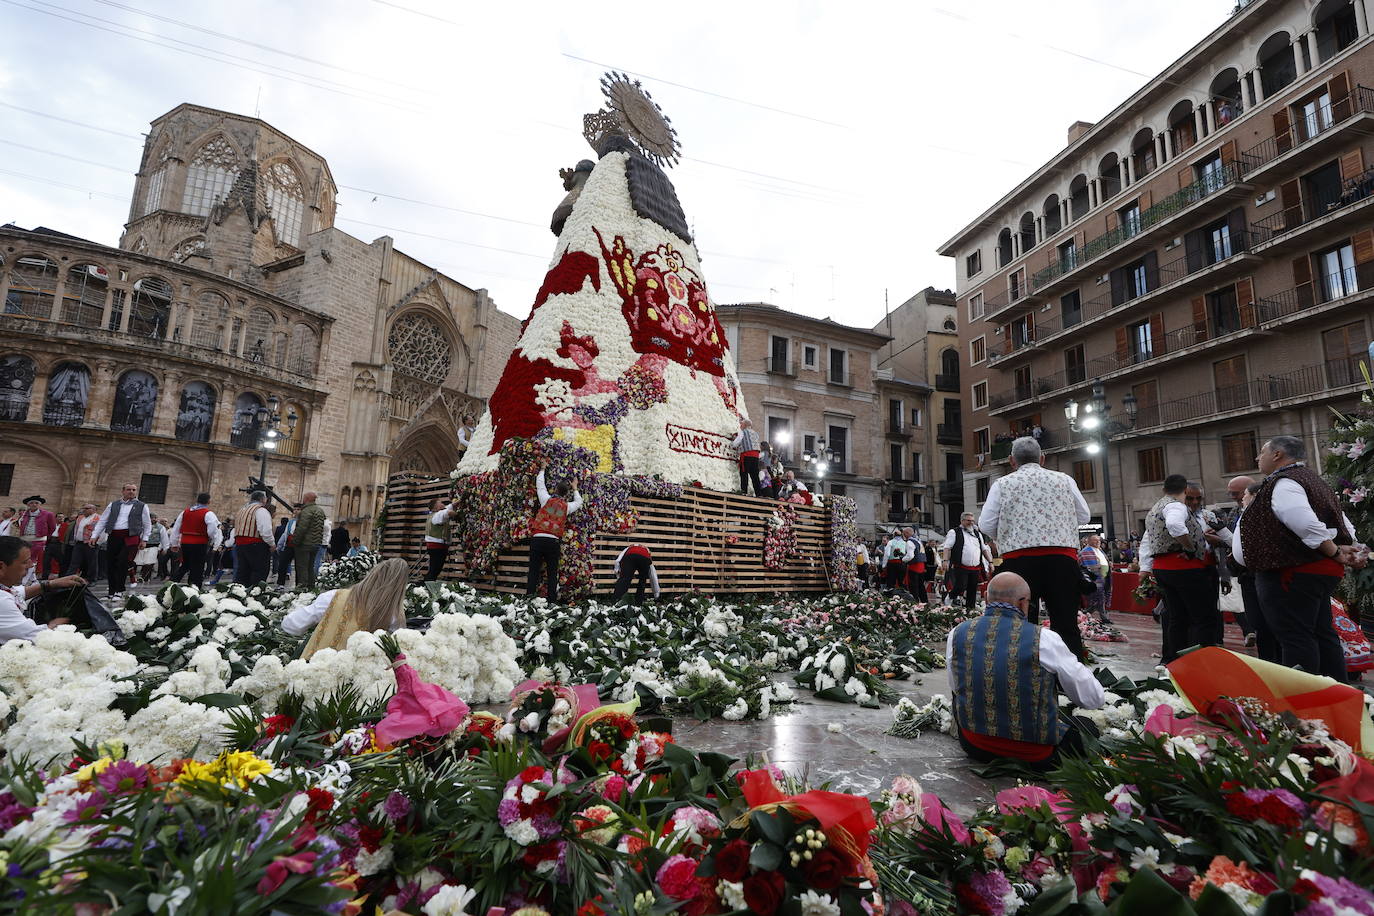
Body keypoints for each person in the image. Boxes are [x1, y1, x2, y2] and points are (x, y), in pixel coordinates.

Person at [1236, 436, 1368, 680]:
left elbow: (1305, 523)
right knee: (1320, 633)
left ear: (1277, 455)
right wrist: (1352, 548)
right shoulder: (1312, 480)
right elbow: (1340, 521)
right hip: (1310, 571)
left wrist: (1337, 552)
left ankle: (1305, 701)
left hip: (1291, 572)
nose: (1257, 457)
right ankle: (1335, 690)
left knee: (1296, 636)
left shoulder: (1285, 483)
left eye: (1262, 452)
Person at [946, 571, 1105, 769]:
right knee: (1086, 727)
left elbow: (955, 686)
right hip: (1035, 754)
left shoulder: (958, 632)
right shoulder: (1045, 639)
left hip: (974, 744)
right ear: (1023, 603)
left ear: (986, 598)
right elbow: (1092, 699)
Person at [978, 437, 1091, 657]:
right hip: (1062, 559)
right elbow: (1084, 516)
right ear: (1042, 459)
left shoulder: (1002, 484)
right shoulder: (1064, 480)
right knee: (1066, 623)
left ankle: (1022, 674)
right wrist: (1059, 525)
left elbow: (986, 524)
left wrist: (1008, 535)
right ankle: (1067, 680)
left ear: (1012, 461)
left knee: (1019, 622)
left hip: (1019, 562)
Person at [1139, 475, 1215, 663]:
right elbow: (1175, 525)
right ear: (1184, 490)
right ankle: (1202, 660)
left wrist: (1145, 567)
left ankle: (1174, 660)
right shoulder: (1175, 505)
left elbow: (1149, 540)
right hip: (1184, 567)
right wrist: (1189, 548)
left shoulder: (1155, 508)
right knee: (1203, 618)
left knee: (1176, 617)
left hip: (1163, 568)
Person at [282, 557, 409, 659]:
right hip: (353, 686)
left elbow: (291, 625)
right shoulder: (394, 617)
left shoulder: (333, 597)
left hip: (314, 673)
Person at [0, 536, 78, 643]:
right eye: (25, 562)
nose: (30, 565)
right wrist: (57, 625)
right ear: (1, 566)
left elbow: (19, 593)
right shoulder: (2, 601)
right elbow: (38, 637)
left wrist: (51, 584)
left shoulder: (4, 590)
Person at [528, 463, 582, 602]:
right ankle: (551, 600)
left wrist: (543, 468)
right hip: (553, 541)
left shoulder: (545, 499)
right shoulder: (567, 507)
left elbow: (540, 485)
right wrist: (575, 488)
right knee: (552, 572)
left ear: (556, 489)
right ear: (566, 493)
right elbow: (579, 502)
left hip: (538, 539)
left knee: (533, 570)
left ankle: (529, 597)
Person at [90, 483, 151, 599]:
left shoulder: (142, 506)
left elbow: (147, 524)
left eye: (134, 490)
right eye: (129, 489)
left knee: (122, 562)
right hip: (114, 536)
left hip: (131, 537)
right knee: (111, 563)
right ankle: (111, 592)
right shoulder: (113, 505)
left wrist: (145, 539)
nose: (131, 492)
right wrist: (94, 536)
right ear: (123, 491)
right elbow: (103, 521)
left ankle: (119, 590)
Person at [942, 513, 991, 610]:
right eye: (968, 520)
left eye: (972, 521)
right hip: (961, 565)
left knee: (972, 589)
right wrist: (945, 560)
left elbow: (984, 549)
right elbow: (947, 547)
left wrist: (990, 562)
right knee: (961, 586)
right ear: (962, 521)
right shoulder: (954, 532)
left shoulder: (977, 534)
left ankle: (970, 609)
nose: (971, 523)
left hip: (975, 566)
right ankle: (950, 596)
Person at [232, 491, 275, 586]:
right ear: (263, 499)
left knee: (242, 573)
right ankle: (255, 594)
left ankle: (240, 594)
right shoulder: (260, 510)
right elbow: (265, 530)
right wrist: (272, 544)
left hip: (240, 545)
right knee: (259, 572)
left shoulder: (242, 510)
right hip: (256, 545)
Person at [15, 496, 57, 580]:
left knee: (34, 561)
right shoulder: (24, 514)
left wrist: (44, 538)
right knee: (24, 559)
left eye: (36, 503)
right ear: (28, 505)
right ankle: (32, 579)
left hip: (39, 541)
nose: (34, 504)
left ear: (39, 504)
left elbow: (52, 527)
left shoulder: (48, 514)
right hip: (24, 540)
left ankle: (25, 580)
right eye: (31, 503)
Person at [293, 492, 327, 591]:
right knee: (310, 566)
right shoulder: (320, 510)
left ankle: (302, 587)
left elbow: (302, 528)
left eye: (304, 498)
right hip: (316, 543)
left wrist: (295, 541)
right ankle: (311, 587)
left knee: (302, 566)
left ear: (307, 499)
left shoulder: (306, 511)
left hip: (305, 544)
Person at [1079, 534, 1111, 624]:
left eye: (1099, 540)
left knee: (1099, 599)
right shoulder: (1085, 552)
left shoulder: (1100, 551)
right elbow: (1085, 566)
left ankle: (1085, 613)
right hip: (1093, 578)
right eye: (1095, 540)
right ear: (1089, 541)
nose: (1098, 542)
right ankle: (1104, 618)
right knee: (1099, 598)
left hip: (1104, 577)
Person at [424, 497, 455, 582]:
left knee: (435, 569)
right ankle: (427, 585)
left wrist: (456, 503)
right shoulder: (438, 515)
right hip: (437, 547)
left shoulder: (433, 514)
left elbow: (449, 507)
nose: (442, 504)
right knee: (435, 569)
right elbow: (448, 512)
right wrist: (458, 514)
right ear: (436, 507)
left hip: (435, 546)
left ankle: (427, 584)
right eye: (440, 503)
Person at [732, 418, 764, 497]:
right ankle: (758, 493)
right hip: (756, 457)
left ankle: (744, 491)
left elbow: (736, 443)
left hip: (747, 455)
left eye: (741, 424)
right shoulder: (755, 433)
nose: (740, 426)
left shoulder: (742, 432)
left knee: (744, 473)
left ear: (745, 425)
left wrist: (733, 442)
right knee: (755, 476)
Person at [135, 516, 168, 584]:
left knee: (149, 562)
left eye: (155, 518)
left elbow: (164, 538)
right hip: (143, 546)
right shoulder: (143, 526)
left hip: (154, 546)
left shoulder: (160, 527)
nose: (154, 519)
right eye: (152, 518)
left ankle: (145, 578)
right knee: (142, 562)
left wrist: (165, 548)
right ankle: (144, 577)